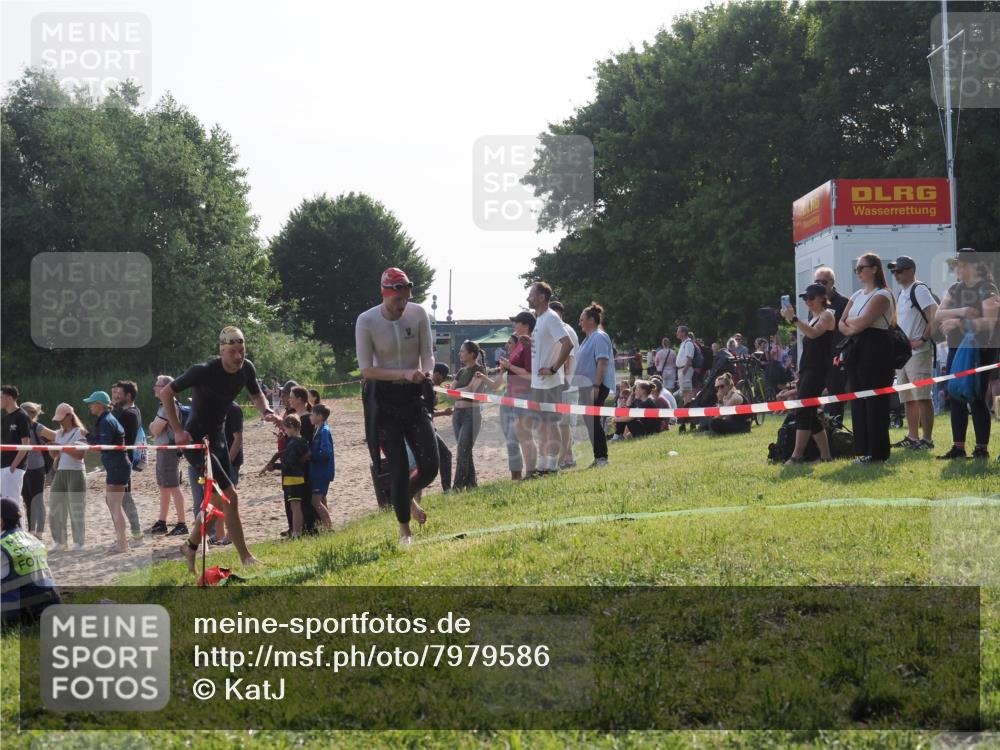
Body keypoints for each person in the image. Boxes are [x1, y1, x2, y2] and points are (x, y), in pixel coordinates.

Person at [160, 326, 279, 572]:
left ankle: (190, 546)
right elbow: (166, 392)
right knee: (230, 497)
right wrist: (178, 430)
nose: (238, 357)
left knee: (215, 501)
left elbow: (257, 395)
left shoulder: (246, 368)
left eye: (242, 351)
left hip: (219, 438)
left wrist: (265, 410)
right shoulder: (203, 371)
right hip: (198, 441)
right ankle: (245, 557)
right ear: (222, 351)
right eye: (232, 352)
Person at [356, 268, 437, 545]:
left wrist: (426, 374)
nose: (402, 306)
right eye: (396, 301)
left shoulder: (419, 314)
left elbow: (428, 355)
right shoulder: (366, 321)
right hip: (384, 399)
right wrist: (402, 373)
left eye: (405, 300)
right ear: (385, 293)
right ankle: (405, 531)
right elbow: (366, 370)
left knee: (430, 466)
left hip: (413, 395)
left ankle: (404, 497)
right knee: (399, 467)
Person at [930, 248, 1000, 460]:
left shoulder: (988, 289)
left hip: (980, 349)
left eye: (960, 265)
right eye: (954, 265)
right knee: (955, 394)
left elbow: (990, 321)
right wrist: (961, 312)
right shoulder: (954, 288)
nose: (956, 269)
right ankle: (958, 447)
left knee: (976, 395)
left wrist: (959, 323)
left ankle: (981, 448)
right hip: (956, 348)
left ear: (973, 266)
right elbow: (938, 314)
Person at [839, 253, 895, 463]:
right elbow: (841, 323)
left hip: (876, 349)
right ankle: (862, 448)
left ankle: (878, 451)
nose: (859, 272)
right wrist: (854, 323)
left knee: (875, 401)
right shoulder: (855, 295)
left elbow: (861, 323)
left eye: (862, 268)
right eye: (857, 269)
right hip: (856, 348)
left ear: (874, 269)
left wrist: (852, 323)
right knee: (858, 399)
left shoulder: (883, 294)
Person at [887, 256, 939, 450]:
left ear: (910, 270)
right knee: (908, 398)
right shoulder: (902, 293)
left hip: (919, 353)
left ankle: (927, 439)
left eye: (899, 271)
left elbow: (935, 315)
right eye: (894, 271)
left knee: (923, 397)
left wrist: (923, 339)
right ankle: (913, 436)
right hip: (904, 355)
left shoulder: (920, 289)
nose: (896, 275)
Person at [781, 284, 835, 463]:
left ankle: (796, 456)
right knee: (810, 413)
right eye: (805, 298)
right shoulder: (813, 317)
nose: (808, 302)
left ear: (822, 297)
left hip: (817, 370)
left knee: (804, 412)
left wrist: (794, 319)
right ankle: (826, 456)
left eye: (811, 298)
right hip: (807, 369)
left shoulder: (827, 315)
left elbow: (813, 334)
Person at [526, 282, 573, 476]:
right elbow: (547, 346)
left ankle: (552, 466)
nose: (528, 298)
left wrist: (553, 368)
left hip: (549, 382)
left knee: (551, 424)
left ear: (542, 297)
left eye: (531, 294)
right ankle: (543, 465)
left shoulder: (551, 318)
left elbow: (567, 344)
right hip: (538, 382)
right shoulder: (540, 319)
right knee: (542, 425)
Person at [83, 390, 131, 554]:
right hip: (116, 466)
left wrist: (87, 437)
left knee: (114, 505)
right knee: (112, 504)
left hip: (117, 466)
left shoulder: (106, 421)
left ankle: (123, 544)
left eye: (91, 403)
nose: (90, 406)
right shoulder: (107, 419)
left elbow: (103, 445)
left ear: (99, 405)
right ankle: (121, 541)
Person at [1, 496, 60, 626]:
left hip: (19, 613)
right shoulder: (33, 539)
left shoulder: (2, 546)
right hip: (51, 604)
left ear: (2, 520)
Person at [149, 376, 189, 537]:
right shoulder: (166, 405)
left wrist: (152, 426)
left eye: (156, 385)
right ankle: (162, 521)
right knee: (164, 487)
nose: (154, 388)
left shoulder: (168, 406)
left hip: (168, 451)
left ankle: (182, 523)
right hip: (164, 450)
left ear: (165, 387)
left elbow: (155, 429)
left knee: (172, 486)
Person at [576, 303, 615, 467]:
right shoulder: (587, 339)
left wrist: (596, 386)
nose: (579, 323)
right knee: (589, 421)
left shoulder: (599, 336)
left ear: (591, 320)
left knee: (593, 420)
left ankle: (602, 458)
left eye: (582, 319)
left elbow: (602, 362)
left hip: (595, 386)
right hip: (585, 386)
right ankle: (598, 456)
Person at [44, 403, 87, 551]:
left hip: (76, 472)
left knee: (76, 508)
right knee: (55, 507)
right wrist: (53, 448)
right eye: (58, 419)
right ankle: (60, 541)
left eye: (62, 418)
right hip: (61, 471)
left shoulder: (80, 432)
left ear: (70, 416)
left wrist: (62, 447)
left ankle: (79, 542)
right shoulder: (58, 433)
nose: (60, 421)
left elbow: (79, 454)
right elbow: (55, 456)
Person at [261, 414, 310, 538]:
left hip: (293, 479)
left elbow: (289, 465)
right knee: (296, 506)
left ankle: (297, 533)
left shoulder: (294, 444)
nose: (286, 432)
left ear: (292, 427)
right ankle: (297, 531)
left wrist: (274, 466)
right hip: (298, 477)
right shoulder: (301, 440)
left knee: (295, 506)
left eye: (286, 429)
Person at [111, 380, 144, 544]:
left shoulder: (128, 414)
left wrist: (111, 410)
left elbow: (119, 437)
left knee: (122, 498)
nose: (115, 396)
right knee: (122, 498)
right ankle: (133, 534)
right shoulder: (131, 410)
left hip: (122, 461)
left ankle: (134, 535)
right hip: (122, 461)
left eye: (119, 393)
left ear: (128, 395)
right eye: (113, 393)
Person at [450, 341, 486, 490]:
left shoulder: (480, 369)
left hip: (471, 414)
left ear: (472, 354)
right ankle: (472, 484)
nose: (460, 354)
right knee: (465, 450)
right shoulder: (460, 371)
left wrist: (456, 391)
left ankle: (457, 487)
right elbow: (452, 391)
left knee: (462, 451)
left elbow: (471, 389)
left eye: (462, 351)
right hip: (457, 414)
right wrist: (455, 391)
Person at [548, 301, 580, 470]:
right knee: (563, 423)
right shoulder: (562, 328)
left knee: (563, 423)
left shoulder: (564, 330)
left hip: (567, 384)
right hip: (565, 384)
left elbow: (568, 356)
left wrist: (565, 381)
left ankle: (567, 458)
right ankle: (568, 456)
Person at [815, 266, 849, 419]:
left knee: (835, 396)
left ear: (832, 283)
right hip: (819, 356)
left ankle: (836, 429)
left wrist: (842, 353)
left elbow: (850, 330)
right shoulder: (815, 303)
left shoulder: (843, 303)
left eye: (823, 282)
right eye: (817, 282)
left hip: (837, 356)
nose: (820, 285)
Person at [17, 403, 48, 538]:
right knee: (27, 500)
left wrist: (49, 447)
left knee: (38, 500)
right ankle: (31, 530)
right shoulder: (18, 427)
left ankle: (39, 532)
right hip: (23, 469)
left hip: (37, 468)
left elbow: (56, 436)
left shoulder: (37, 427)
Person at [1, 386, 31, 504]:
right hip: (3, 466)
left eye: (0, 397)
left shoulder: (21, 416)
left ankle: (19, 523)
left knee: (13, 502)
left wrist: (13, 467)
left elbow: (26, 445)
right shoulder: (4, 418)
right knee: (4, 503)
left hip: (14, 468)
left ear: (9, 398)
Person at [308, 404, 335, 528]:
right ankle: (325, 526)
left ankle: (329, 527)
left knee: (315, 501)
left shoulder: (324, 431)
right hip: (317, 471)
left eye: (312, 414)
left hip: (322, 472)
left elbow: (326, 453)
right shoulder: (317, 429)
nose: (310, 416)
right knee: (321, 500)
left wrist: (311, 455)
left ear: (319, 416)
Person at [429, 364, 454, 490]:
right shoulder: (429, 386)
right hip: (426, 428)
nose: (442, 381)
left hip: (428, 427)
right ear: (437, 374)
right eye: (442, 378)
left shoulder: (431, 386)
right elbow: (426, 412)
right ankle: (447, 490)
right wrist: (444, 412)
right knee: (446, 455)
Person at [675, 326, 696, 432]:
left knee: (687, 395)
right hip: (682, 370)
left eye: (678, 332)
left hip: (685, 370)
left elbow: (689, 358)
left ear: (683, 333)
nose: (676, 333)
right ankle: (688, 422)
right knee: (685, 396)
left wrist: (684, 372)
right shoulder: (683, 343)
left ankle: (688, 422)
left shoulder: (688, 343)